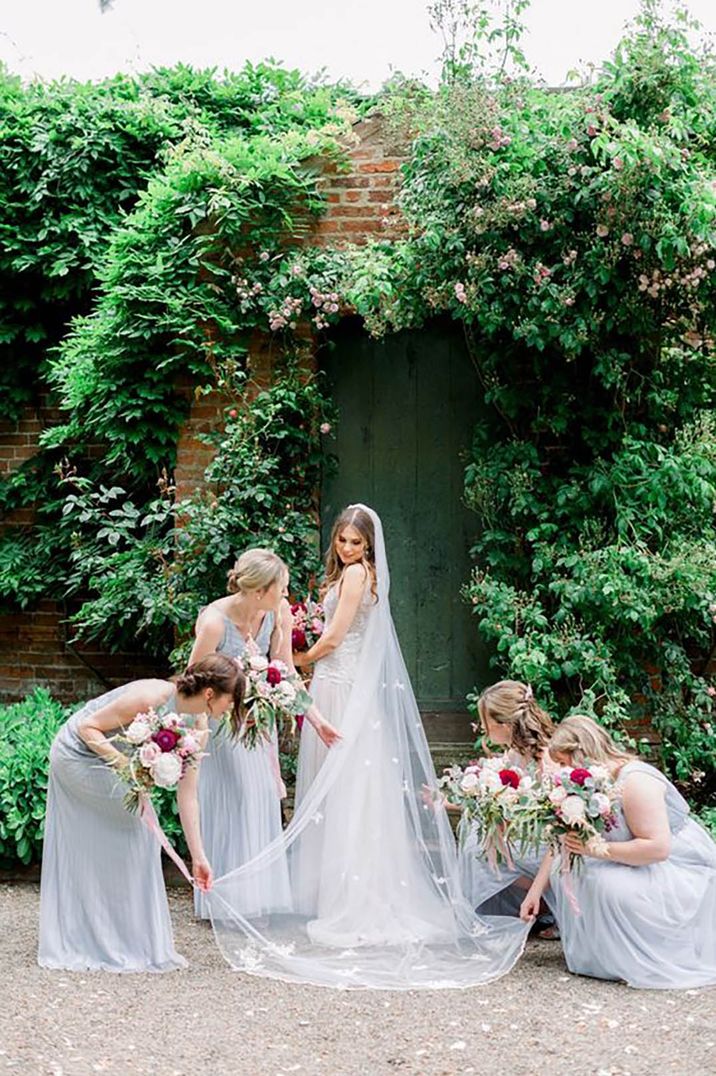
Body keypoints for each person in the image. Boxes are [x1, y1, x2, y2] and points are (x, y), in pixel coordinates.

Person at [206, 504, 530, 990]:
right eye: (342, 540)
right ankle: (326, 892)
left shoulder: (358, 576)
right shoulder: (341, 576)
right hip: (332, 688)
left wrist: (296, 657)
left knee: (349, 793)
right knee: (330, 794)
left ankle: (352, 897)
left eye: (355, 542)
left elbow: (334, 638)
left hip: (342, 688)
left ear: (369, 547)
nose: (347, 549)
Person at [38, 654, 243, 973]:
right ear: (209, 694)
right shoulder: (153, 697)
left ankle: (117, 937)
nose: (232, 709)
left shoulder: (199, 728)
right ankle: (111, 940)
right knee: (139, 833)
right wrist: (129, 768)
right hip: (77, 756)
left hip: (113, 764)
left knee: (137, 837)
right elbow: (86, 728)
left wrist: (198, 857)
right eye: (232, 701)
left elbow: (188, 796)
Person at [187, 548, 339, 919]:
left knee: (258, 800)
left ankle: (251, 897)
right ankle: (220, 898)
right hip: (221, 727)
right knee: (233, 799)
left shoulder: (276, 614)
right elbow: (192, 683)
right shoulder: (214, 623)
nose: (286, 596)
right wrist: (205, 730)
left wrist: (317, 722)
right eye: (281, 590)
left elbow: (284, 670)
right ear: (258, 591)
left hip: (259, 726)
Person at [520, 715, 716, 989]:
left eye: (564, 763)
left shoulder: (634, 781)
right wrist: (535, 891)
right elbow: (562, 841)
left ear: (582, 753)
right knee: (571, 869)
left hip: (676, 865)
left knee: (603, 879)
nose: (562, 771)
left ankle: (641, 955)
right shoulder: (589, 786)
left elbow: (657, 848)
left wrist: (597, 850)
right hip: (635, 857)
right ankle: (605, 957)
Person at [458, 680, 557, 929]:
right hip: (528, 836)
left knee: (483, 846)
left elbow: (559, 829)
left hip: (552, 844)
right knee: (479, 835)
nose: (482, 727)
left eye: (485, 721)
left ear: (505, 724)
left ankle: (547, 902)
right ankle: (540, 904)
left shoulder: (548, 760)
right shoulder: (514, 754)